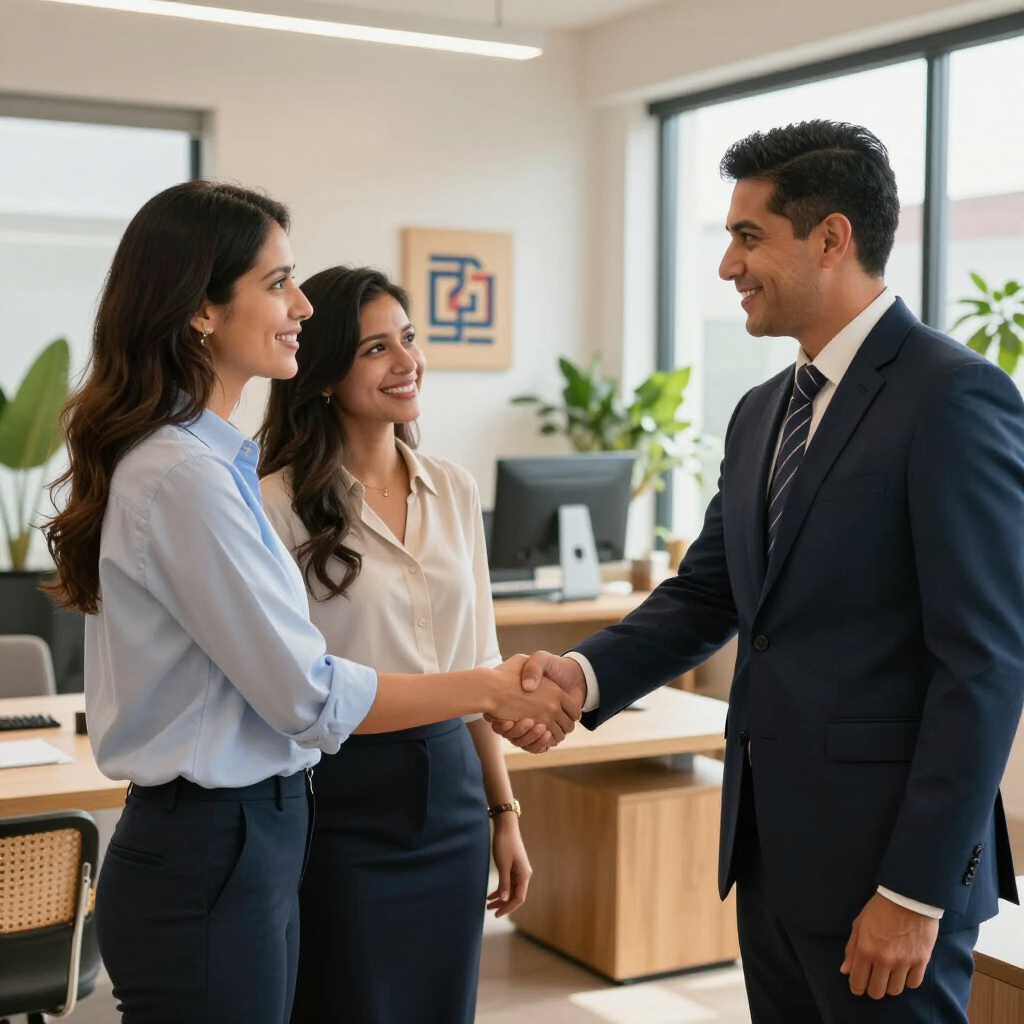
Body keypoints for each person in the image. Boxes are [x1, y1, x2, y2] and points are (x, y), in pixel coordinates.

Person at [492, 121, 1024, 1023]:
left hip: (886, 877)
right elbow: (713, 592)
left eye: (748, 237)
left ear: (831, 238)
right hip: (771, 855)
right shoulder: (761, 410)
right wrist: (580, 678)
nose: (727, 266)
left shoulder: (953, 396)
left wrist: (916, 891)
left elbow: (984, 664)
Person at [42, 181, 578, 1024]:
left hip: (257, 829)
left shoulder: (208, 466)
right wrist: (489, 687)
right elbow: (306, 693)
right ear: (201, 311)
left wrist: (498, 789)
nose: (299, 303)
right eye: (278, 281)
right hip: (227, 833)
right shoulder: (191, 477)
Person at [257, 265, 530, 1024]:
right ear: (322, 373)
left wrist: (504, 813)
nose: (406, 361)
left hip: (451, 792)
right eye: (376, 348)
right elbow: (295, 687)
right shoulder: (273, 501)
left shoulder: (455, 487)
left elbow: (476, 662)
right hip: (338, 798)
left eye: (407, 339)